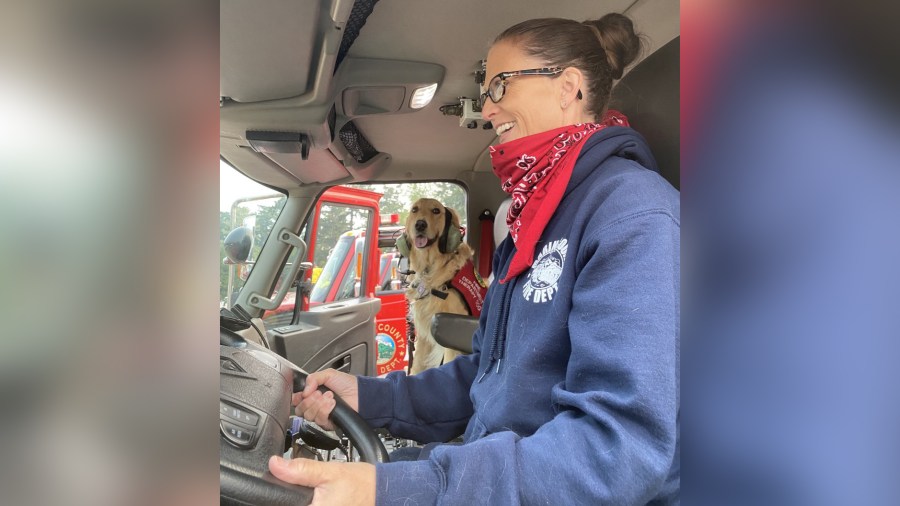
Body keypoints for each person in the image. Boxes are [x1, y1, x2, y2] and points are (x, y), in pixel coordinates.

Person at [268, 13, 680, 505]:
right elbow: (486, 375)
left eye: (500, 85)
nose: (485, 108)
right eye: (486, 90)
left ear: (568, 86)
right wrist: (370, 396)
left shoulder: (630, 212)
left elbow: (617, 450)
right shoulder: (532, 219)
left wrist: (410, 488)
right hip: (499, 466)